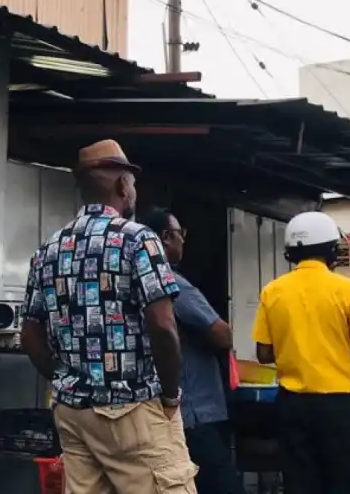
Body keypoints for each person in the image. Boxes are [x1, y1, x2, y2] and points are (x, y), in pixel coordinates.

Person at [21, 140, 196, 494]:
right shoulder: (139, 240)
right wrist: (171, 396)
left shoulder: (49, 249)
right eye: (131, 183)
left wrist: (65, 378)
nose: (133, 190)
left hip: (73, 412)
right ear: (121, 185)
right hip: (131, 408)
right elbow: (163, 326)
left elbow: (30, 335)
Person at [252, 211, 350, 494]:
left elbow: (263, 354)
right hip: (337, 407)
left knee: (301, 485)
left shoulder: (272, 291)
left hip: (292, 406)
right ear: (332, 249)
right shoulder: (348, 290)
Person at [143, 208, 245, 494]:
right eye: (180, 235)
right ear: (165, 238)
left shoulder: (133, 280)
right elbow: (221, 334)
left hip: (157, 411)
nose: (183, 242)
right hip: (195, 411)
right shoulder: (172, 282)